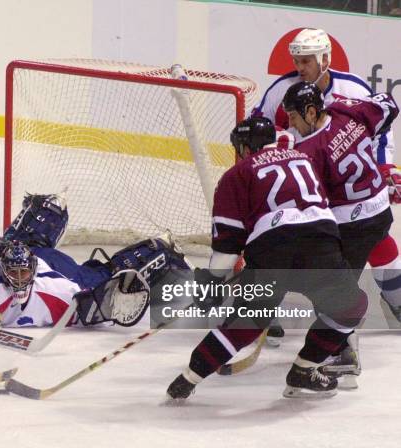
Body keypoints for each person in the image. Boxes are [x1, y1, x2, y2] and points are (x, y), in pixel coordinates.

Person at [166, 117, 368, 401]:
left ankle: (186, 381)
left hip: (272, 248)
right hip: (319, 241)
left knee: (247, 322)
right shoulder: (303, 158)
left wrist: (211, 284)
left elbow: (228, 245)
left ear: (246, 147)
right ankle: (304, 368)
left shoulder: (236, 174)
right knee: (352, 306)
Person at [252, 27, 401, 337]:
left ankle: (391, 303)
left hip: (344, 191)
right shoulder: (283, 90)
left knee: (375, 243)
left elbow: (381, 133)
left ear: (324, 59)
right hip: (303, 189)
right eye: (297, 61)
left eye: (306, 61)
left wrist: (384, 167)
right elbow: (257, 130)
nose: (300, 68)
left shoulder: (352, 88)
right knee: (279, 245)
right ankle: (265, 310)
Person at [282, 82, 399, 381]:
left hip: (353, 227)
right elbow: (389, 106)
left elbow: (310, 204)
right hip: (380, 211)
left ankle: (343, 354)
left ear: (310, 111)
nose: (292, 125)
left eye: (294, 117)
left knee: (336, 294)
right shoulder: (346, 111)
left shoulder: (309, 151)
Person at [0, 194, 191, 339]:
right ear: (4, 273)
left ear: (32, 272)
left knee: (101, 278)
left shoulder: (56, 290)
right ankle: (50, 209)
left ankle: (162, 250)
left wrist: (97, 303)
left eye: (23, 273)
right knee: (7, 251)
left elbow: (91, 306)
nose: (19, 278)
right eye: (13, 273)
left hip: (58, 269)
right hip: (34, 255)